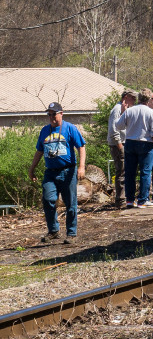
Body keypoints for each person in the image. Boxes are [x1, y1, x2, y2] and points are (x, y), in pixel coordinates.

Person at [29, 103, 86, 244]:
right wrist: (32, 169)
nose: (51, 117)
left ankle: (71, 233)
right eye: (49, 114)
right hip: (50, 173)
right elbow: (39, 151)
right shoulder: (44, 131)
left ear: (61, 113)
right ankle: (53, 230)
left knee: (70, 203)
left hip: (68, 171)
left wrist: (81, 167)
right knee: (48, 199)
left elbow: (81, 147)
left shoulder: (70, 128)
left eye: (54, 114)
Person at [115, 89, 153, 207]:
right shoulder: (151, 113)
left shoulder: (129, 111)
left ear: (139, 98)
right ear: (149, 99)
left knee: (130, 172)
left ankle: (129, 200)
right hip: (146, 143)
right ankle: (143, 199)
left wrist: (123, 112)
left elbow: (118, 126)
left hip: (130, 142)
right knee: (145, 172)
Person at [106, 90, 137, 208]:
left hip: (125, 143)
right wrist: (120, 146)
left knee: (125, 171)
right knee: (121, 172)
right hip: (118, 145)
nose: (134, 101)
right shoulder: (117, 109)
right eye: (132, 98)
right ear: (125, 98)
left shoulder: (126, 110)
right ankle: (120, 200)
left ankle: (125, 198)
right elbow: (114, 130)